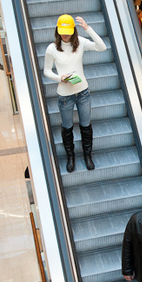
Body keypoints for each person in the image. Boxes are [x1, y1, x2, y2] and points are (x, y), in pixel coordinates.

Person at [43, 15, 107, 172]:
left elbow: (102, 47)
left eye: (68, 31)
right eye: (63, 31)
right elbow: (46, 71)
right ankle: (70, 157)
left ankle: (87, 155)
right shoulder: (51, 49)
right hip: (65, 96)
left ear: (73, 30)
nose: (65, 35)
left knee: (86, 125)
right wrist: (60, 78)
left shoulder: (80, 44)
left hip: (83, 92)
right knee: (67, 127)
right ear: (57, 30)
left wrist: (87, 28)